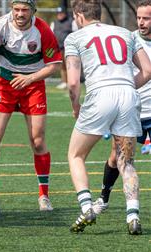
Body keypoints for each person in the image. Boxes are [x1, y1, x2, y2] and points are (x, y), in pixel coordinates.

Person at [65, 0, 151, 235]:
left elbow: (73, 83)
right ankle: (132, 215)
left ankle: (87, 208)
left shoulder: (75, 38)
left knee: (75, 155)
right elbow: (148, 70)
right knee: (127, 162)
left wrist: (76, 105)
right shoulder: (125, 33)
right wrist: (126, 86)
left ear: (79, 15)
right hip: (129, 96)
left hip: (100, 95)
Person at [0, 0, 62, 212]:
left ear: (32, 10)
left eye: (25, 10)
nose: (20, 14)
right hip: (4, 84)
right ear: (12, 8)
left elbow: (54, 65)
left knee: (38, 141)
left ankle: (44, 195)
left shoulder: (43, 30)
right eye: (16, 9)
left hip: (33, 85)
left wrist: (29, 79)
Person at [91, 0, 151, 220]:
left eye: (147, 18)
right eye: (139, 18)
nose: (141, 22)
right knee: (117, 158)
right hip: (133, 111)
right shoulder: (129, 39)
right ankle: (104, 198)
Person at [50, 5, 78, 89]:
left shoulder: (71, 22)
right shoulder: (54, 23)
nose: (59, 15)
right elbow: (51, 34)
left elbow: (76, 33)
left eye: (61, 13)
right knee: (62, 65)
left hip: (69, 48)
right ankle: (64, 82)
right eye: (58, 13)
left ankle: (73, 82)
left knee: (70, 65)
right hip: (59, 47)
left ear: (65, 13)